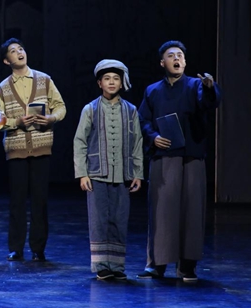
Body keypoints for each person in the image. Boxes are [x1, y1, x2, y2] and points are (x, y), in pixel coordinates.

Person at [137, 40, 222, 282]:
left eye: (180, 55)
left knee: (192, 211)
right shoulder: (153, 90)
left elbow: (209, 101)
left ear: (185, 62)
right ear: (162, 63)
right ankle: (157, 265)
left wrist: (209, 87)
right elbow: (143, 120)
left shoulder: (196, 85)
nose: (177, 58)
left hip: (191, 156)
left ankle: (187, 266)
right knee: (162, 211)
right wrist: (153, 137)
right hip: (164, 156)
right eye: (171, 55)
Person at [0, 38, 66, 262]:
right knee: (17, 201)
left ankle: (38, 248)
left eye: (21, 49)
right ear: (7, 60)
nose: (19, 52)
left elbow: (61, 106)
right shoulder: (2, 88)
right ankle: (16, 248)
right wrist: (16, 122)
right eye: (13, 51)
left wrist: (51, 118)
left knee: (39, 200)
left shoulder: (44, 80)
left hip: (41, 147)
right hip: (16, 149)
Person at [73, 59, 143, 280]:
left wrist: (137, 173)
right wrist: (82, 173)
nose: (111, 82)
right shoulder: (90, 109)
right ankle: (101, 265)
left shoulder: (131, 111)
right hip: (97, 174)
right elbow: (80, 141)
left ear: (122, 83)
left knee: (119, 219)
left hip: (122, 174)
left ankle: (117, 265)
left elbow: (137, 142)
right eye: (107, 79)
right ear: (99, 83)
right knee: (99, 220)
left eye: (116, 78)